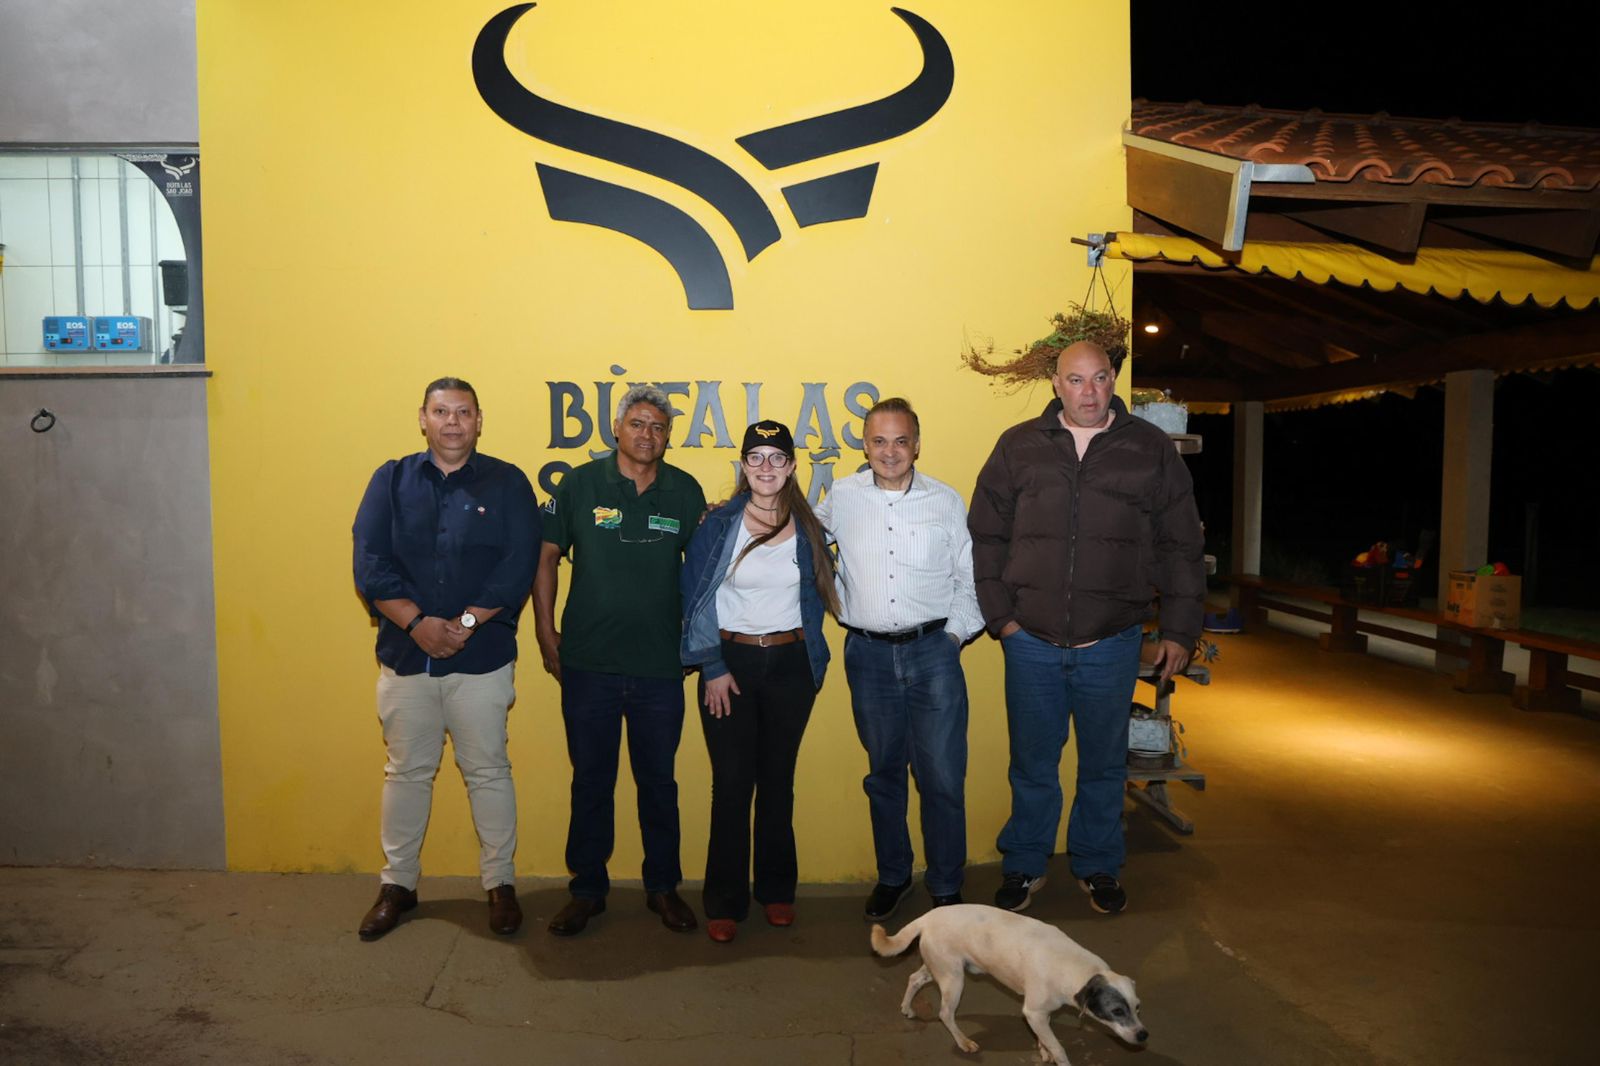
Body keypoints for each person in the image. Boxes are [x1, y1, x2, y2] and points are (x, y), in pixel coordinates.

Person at [968, 342, 1204, 916]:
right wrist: (1003, 620)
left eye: (1099, 378)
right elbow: (985, 536)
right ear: (1056, 384)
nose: (1089, 392)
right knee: (1032, 766)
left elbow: (1181, 544)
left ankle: (1098, 864)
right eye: (1075, 380)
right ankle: (1025, 863)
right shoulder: (1018, 446)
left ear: (1114, 378)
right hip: (1031, 642)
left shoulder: (1149, 448)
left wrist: (1179, 629)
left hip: (1113, 639)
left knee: (1103, 766)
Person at [351, 377, 540, 940]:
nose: (452, 422)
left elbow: (518, 564)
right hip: (405, 661)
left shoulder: (508, 482)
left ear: (479, 420)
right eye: (441, 412)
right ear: (423, 418)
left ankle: (500, 884)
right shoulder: (390, 480)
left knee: (489, 772)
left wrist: (462, 626)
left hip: (482, 661)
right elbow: (370, 564)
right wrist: (417, 625)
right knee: (406, 773)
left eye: (463, 412)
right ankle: (398, 885)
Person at [533, 384, 707, 937]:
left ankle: (663, 888)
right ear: (616, 428)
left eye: (658, 426)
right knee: (591, 782)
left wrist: (699, 643)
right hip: (588, 665)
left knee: (659, 784)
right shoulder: (580, 483)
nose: (647, 434)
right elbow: (546, 558)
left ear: (668, 435)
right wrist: (545, 632)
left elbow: (706, 574)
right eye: (637, 423)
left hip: (660, 667)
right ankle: (587, 891)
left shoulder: (684, 491)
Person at [814, 398, 985, 921]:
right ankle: (893, 876)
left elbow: (970, 580)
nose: (890, 452)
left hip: (934, 654)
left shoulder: (945, 500)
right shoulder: (842, 497)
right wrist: (731, 513)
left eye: (901, 441)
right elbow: (796, 541)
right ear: (865, 446)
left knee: (942, 778)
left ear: (917, 445)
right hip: (867, 657)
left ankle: (946, 885)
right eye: (879, 441)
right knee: (884, 775)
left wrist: (952, 638)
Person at [680, 420, 839, 943]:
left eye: (776, 457)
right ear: (743, 466)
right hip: (731, 665)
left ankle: (776, 891)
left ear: (791, 467)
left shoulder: (810, 525)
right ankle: (724, 901)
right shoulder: (718, 524)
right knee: (731, 784)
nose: (766, 467)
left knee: (777, 781)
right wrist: (711, 666)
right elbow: (695, 598)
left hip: (792, 665)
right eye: (756, 457)